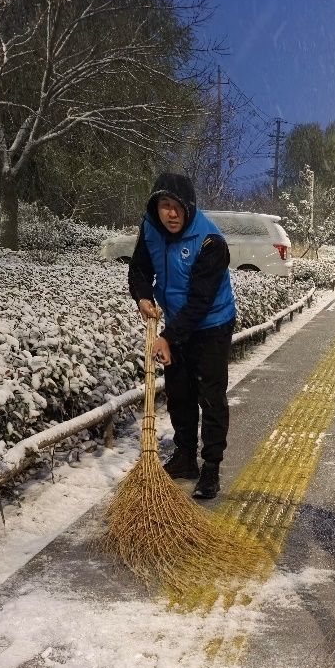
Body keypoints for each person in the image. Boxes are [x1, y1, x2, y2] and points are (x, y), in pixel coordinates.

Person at [128, 173, 237, 500]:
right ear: (155, 207)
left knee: (210, 394)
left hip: (212, 323)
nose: (171, 214)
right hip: (177, 321)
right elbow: (140, 269)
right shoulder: (150, 229)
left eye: (177, 207)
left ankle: (211, 467)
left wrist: (168, 337)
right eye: (165, 206)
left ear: (189, 208)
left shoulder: (210, 242)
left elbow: (201, 301)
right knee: (179, 393)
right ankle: (186, 457)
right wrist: (143, 296)